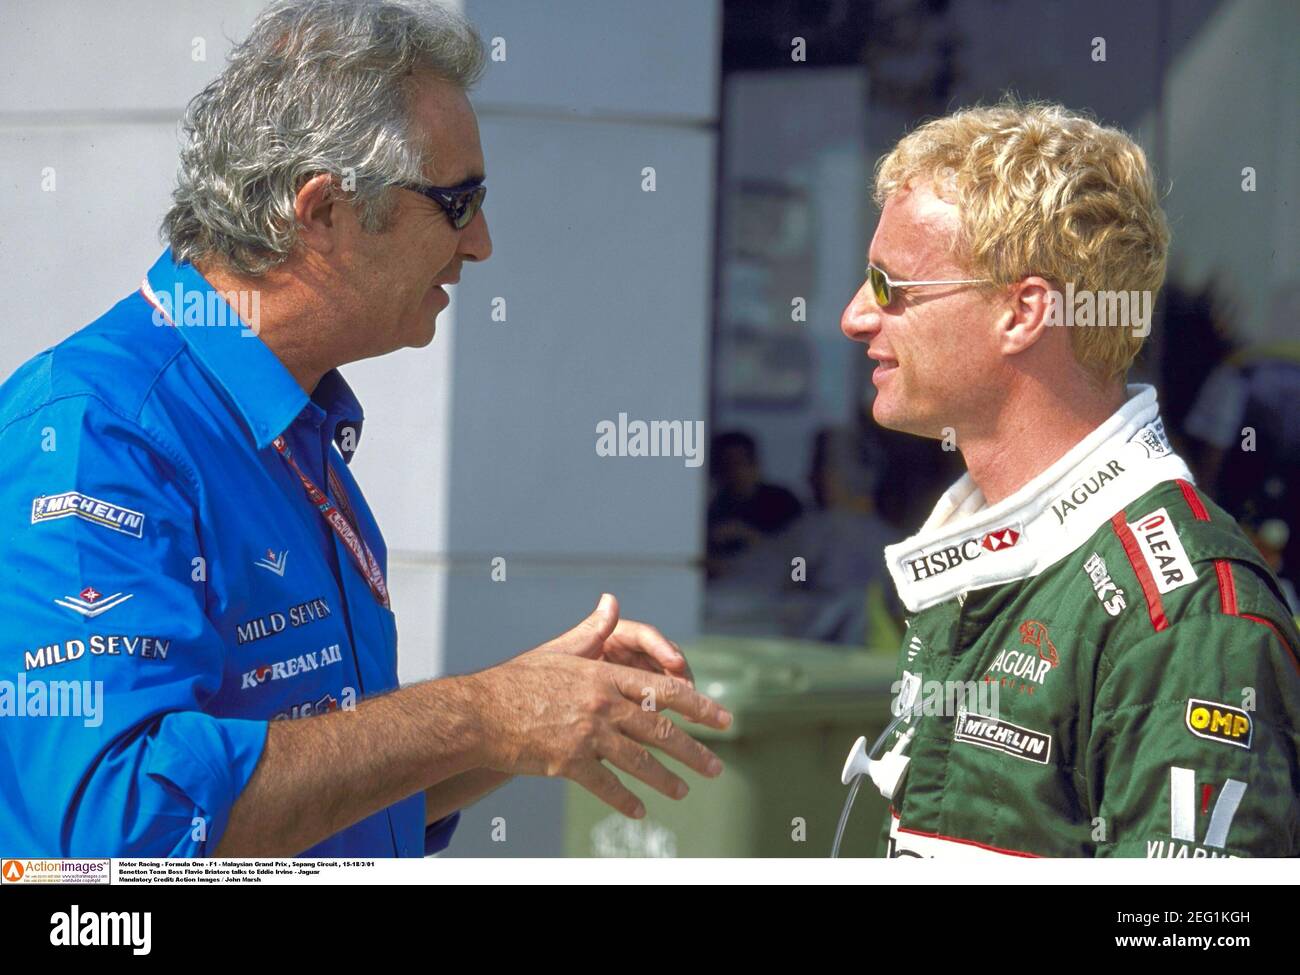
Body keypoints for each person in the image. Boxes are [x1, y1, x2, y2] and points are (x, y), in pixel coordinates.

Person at [0, 0, 730, 859]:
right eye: (458, 202)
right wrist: (484, 711)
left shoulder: (293, 419)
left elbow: (326, 798)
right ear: (323, 212)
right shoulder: (98, 431)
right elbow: (117, 833)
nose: (482, 244)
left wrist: (531, 709)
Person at [839, 98, 1300, 857]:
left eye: (891, 287)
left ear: (1022, 313)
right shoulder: (981, 556)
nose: (856, 315)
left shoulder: (1187, 616)